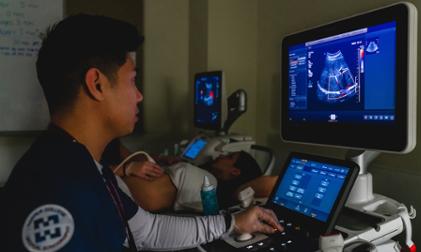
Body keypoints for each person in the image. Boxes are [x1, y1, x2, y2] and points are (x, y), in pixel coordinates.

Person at [2, 14, 283, 252]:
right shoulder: (57, 190)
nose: (139, 96)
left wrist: (232, 223)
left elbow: (148, 230)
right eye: (133, 81)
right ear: (96, 84)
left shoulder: (85, 164)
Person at [110, 147, 278, 212]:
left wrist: (127, 169)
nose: (223, 154)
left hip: (112, 195)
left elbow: (269, 183)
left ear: (234, 171)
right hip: (112, 188)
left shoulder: (210, 185)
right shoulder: (204, 175)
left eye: (230, 156)